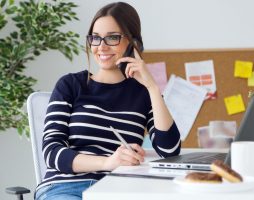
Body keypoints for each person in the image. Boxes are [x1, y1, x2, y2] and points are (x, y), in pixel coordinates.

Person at [35, 2, 181, 200]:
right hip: (66, 187)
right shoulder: (70, 85)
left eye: (112, 38)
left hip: (118, 190)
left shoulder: (143, 93)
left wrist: (153, 88)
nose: (101, 46)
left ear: (132, 43)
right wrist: (107, 163)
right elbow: (52, 152)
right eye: (95, 38)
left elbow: (169, 151)